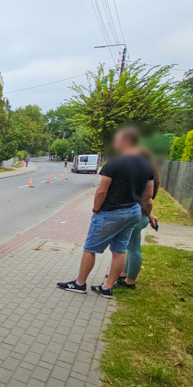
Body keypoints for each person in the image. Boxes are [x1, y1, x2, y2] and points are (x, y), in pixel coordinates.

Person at [56, 126, 155, 298]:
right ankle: (107, 287)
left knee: (90, 248)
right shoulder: (146, 166)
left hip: (110, 212)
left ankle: (79, 283)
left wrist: (96, 210)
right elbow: (148, 198)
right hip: (133, 212)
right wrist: (148, 213)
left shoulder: (114, 163)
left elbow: (102, 190)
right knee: (119, 250)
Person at [115, 149, 160, 290]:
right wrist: (150, 214)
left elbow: (147, 200)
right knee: (131, 246)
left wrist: (148, 212)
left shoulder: (144, 176)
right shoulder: (152, 175)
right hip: (142, 215)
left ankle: (130, 281)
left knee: (133, 247)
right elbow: (148, 201)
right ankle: (124, 273)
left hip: (137, 216)